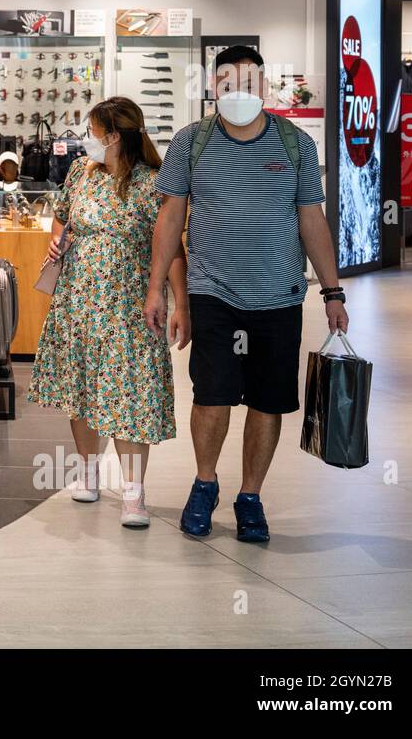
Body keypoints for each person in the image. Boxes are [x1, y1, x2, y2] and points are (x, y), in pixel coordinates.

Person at [146, 45, 348, 542]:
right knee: (212, 396)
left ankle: (251, 497)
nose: (239, 92)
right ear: (213, 88)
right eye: (228, 83)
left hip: (278, 296)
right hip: (213, 293)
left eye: (250, 83)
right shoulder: (190, 143)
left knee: (268, 401)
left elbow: (311, 220)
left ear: (265, 87)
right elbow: (171, 217)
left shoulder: (294, 144)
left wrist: (332, 292)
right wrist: (158, 290)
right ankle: (205, 483)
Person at [28, 98, 189, 528]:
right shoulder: (81, 173)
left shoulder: (153, 183)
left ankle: (133, 493)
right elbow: (61, 219)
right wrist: (57, 241)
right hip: (78, 300)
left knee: (129, 394)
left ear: (114, 136)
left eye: (93, 131)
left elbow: (172, 250)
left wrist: (181, 304)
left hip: (130, 305)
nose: (88, 138)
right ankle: (88, 471)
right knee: (80, 387)